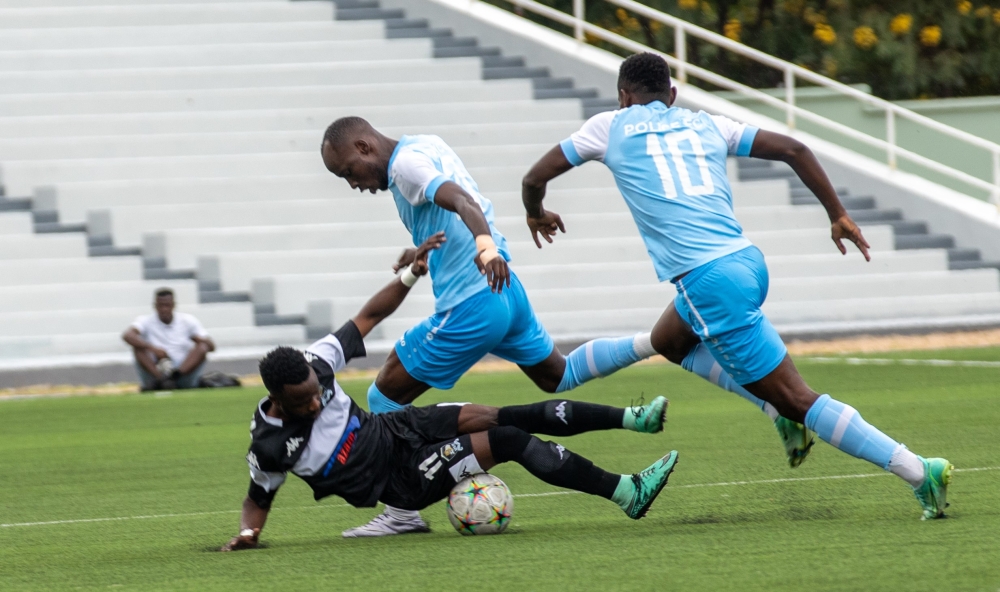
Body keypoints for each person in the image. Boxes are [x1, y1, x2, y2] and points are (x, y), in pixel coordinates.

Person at [519, 52, 952, 520]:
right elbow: (795, 150)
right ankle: (778, 413)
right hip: (746, 262)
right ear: (673, 95)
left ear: (624, 97)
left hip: (708, 283)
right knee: (670, 340)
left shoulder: (609, 126)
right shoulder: (706, 123)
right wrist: (838, 215)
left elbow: (533, 178)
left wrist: (536, 211)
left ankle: (917, 468)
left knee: (797, 398)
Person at [219, 237, 677, 551]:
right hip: (400, 478)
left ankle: (630, 418)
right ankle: (626, 492)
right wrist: (247, 533)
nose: (316, 401)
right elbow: (258, 499)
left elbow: (366, 318)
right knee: (511, 441)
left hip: (397, 427)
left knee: (504, 414)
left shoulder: (314, 366)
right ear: (277, 396)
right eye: (305, 402)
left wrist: (411, 275)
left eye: (318, 392)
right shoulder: (270, 445)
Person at [320, 117, 661, 536]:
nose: (353, 184)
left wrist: (485, 249)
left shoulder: (404, 167)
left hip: (471, 304)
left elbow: (463, 201)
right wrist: (427, 247)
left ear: (364, 146)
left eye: (348, 172)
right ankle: (655, 342)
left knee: (384, 394)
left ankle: (402, 512)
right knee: (559, 374)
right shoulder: (425, 142)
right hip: (505, 293)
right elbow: (455, 207)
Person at [122, 288, 215, 391]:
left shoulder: (188, 321)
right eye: (161, 305)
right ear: (155, 306)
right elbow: (127, 336)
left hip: (182, 372)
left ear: (174, 305)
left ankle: (174, 378)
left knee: (202, 347)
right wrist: (153, 349)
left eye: (167, 305)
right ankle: (163, 380)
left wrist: (198, 338)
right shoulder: (144, 321)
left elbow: (211, 346)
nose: (164, 309)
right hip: (156, 372)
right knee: (138, 348)